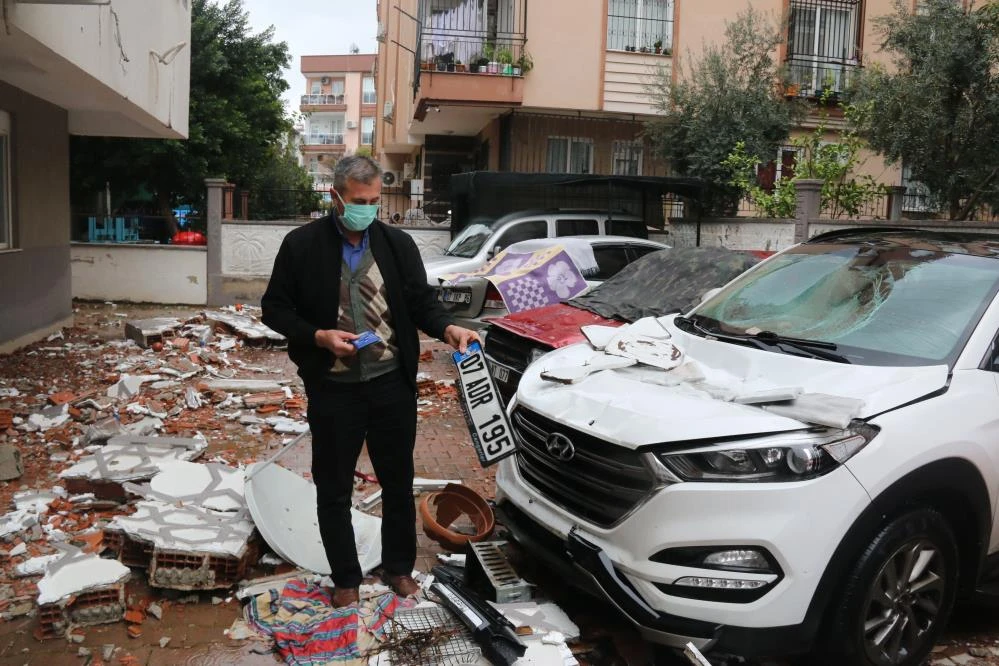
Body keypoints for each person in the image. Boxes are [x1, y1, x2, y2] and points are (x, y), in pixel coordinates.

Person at [261, 155, 479, 607]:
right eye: (360, 201)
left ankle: (399, 569)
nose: (368, 209)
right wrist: (318, 336)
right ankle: (345, 580)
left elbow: (422, 303)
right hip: (334, 388)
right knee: (334, 487)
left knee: (397, 483)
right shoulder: (301, 246)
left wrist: (448, 328)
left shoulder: (397, 246)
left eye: (375, 201)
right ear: (335, 196)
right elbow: (275, 310)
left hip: (390, 385)